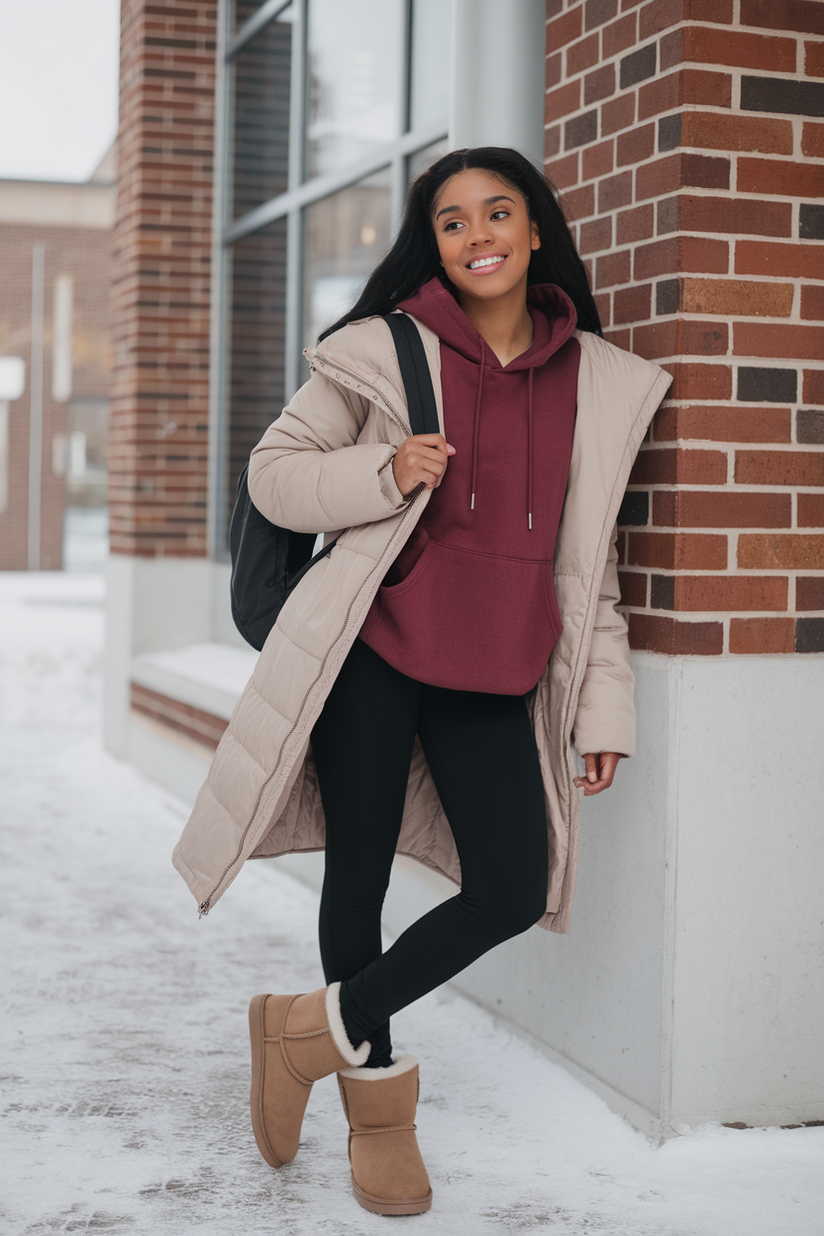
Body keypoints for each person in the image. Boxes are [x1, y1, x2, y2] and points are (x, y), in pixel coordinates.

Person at [172, 147, 672, 1216]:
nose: (476, 233)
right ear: (433, 245)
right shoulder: (385, 349)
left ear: (534, 231)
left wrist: (601, 703)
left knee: (510, 886)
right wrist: (382, 471)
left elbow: (595, 575)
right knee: (355, 880)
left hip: (496, 666)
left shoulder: (598, 378)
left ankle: (303, 1030)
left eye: (498, 212)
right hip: (375, 648)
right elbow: (273, 470)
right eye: (451, 221)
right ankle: (377, 1106)